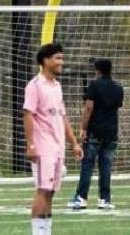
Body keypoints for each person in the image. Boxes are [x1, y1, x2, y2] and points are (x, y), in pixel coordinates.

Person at [24, 42, 84, 235]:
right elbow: (28, 115)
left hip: (58, 148)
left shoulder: (57, 86)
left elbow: (62, 116)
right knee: (42, 190)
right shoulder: (35, 85)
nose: (61, 62)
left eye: (61, 58)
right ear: (45, 60)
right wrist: (31, 144)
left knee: (51, 192)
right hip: (43, 147)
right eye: (57, 58)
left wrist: (74, 143)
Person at [67, 58, 124, 211]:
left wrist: (83, 127)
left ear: (97, 70)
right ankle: (104, 199)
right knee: (106, 167)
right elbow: (115, 108)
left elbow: (89, 108)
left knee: (87, 165)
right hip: (111, 131)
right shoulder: (118, 88)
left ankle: (81, 197)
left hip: (95, 130)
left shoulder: (94, 85)